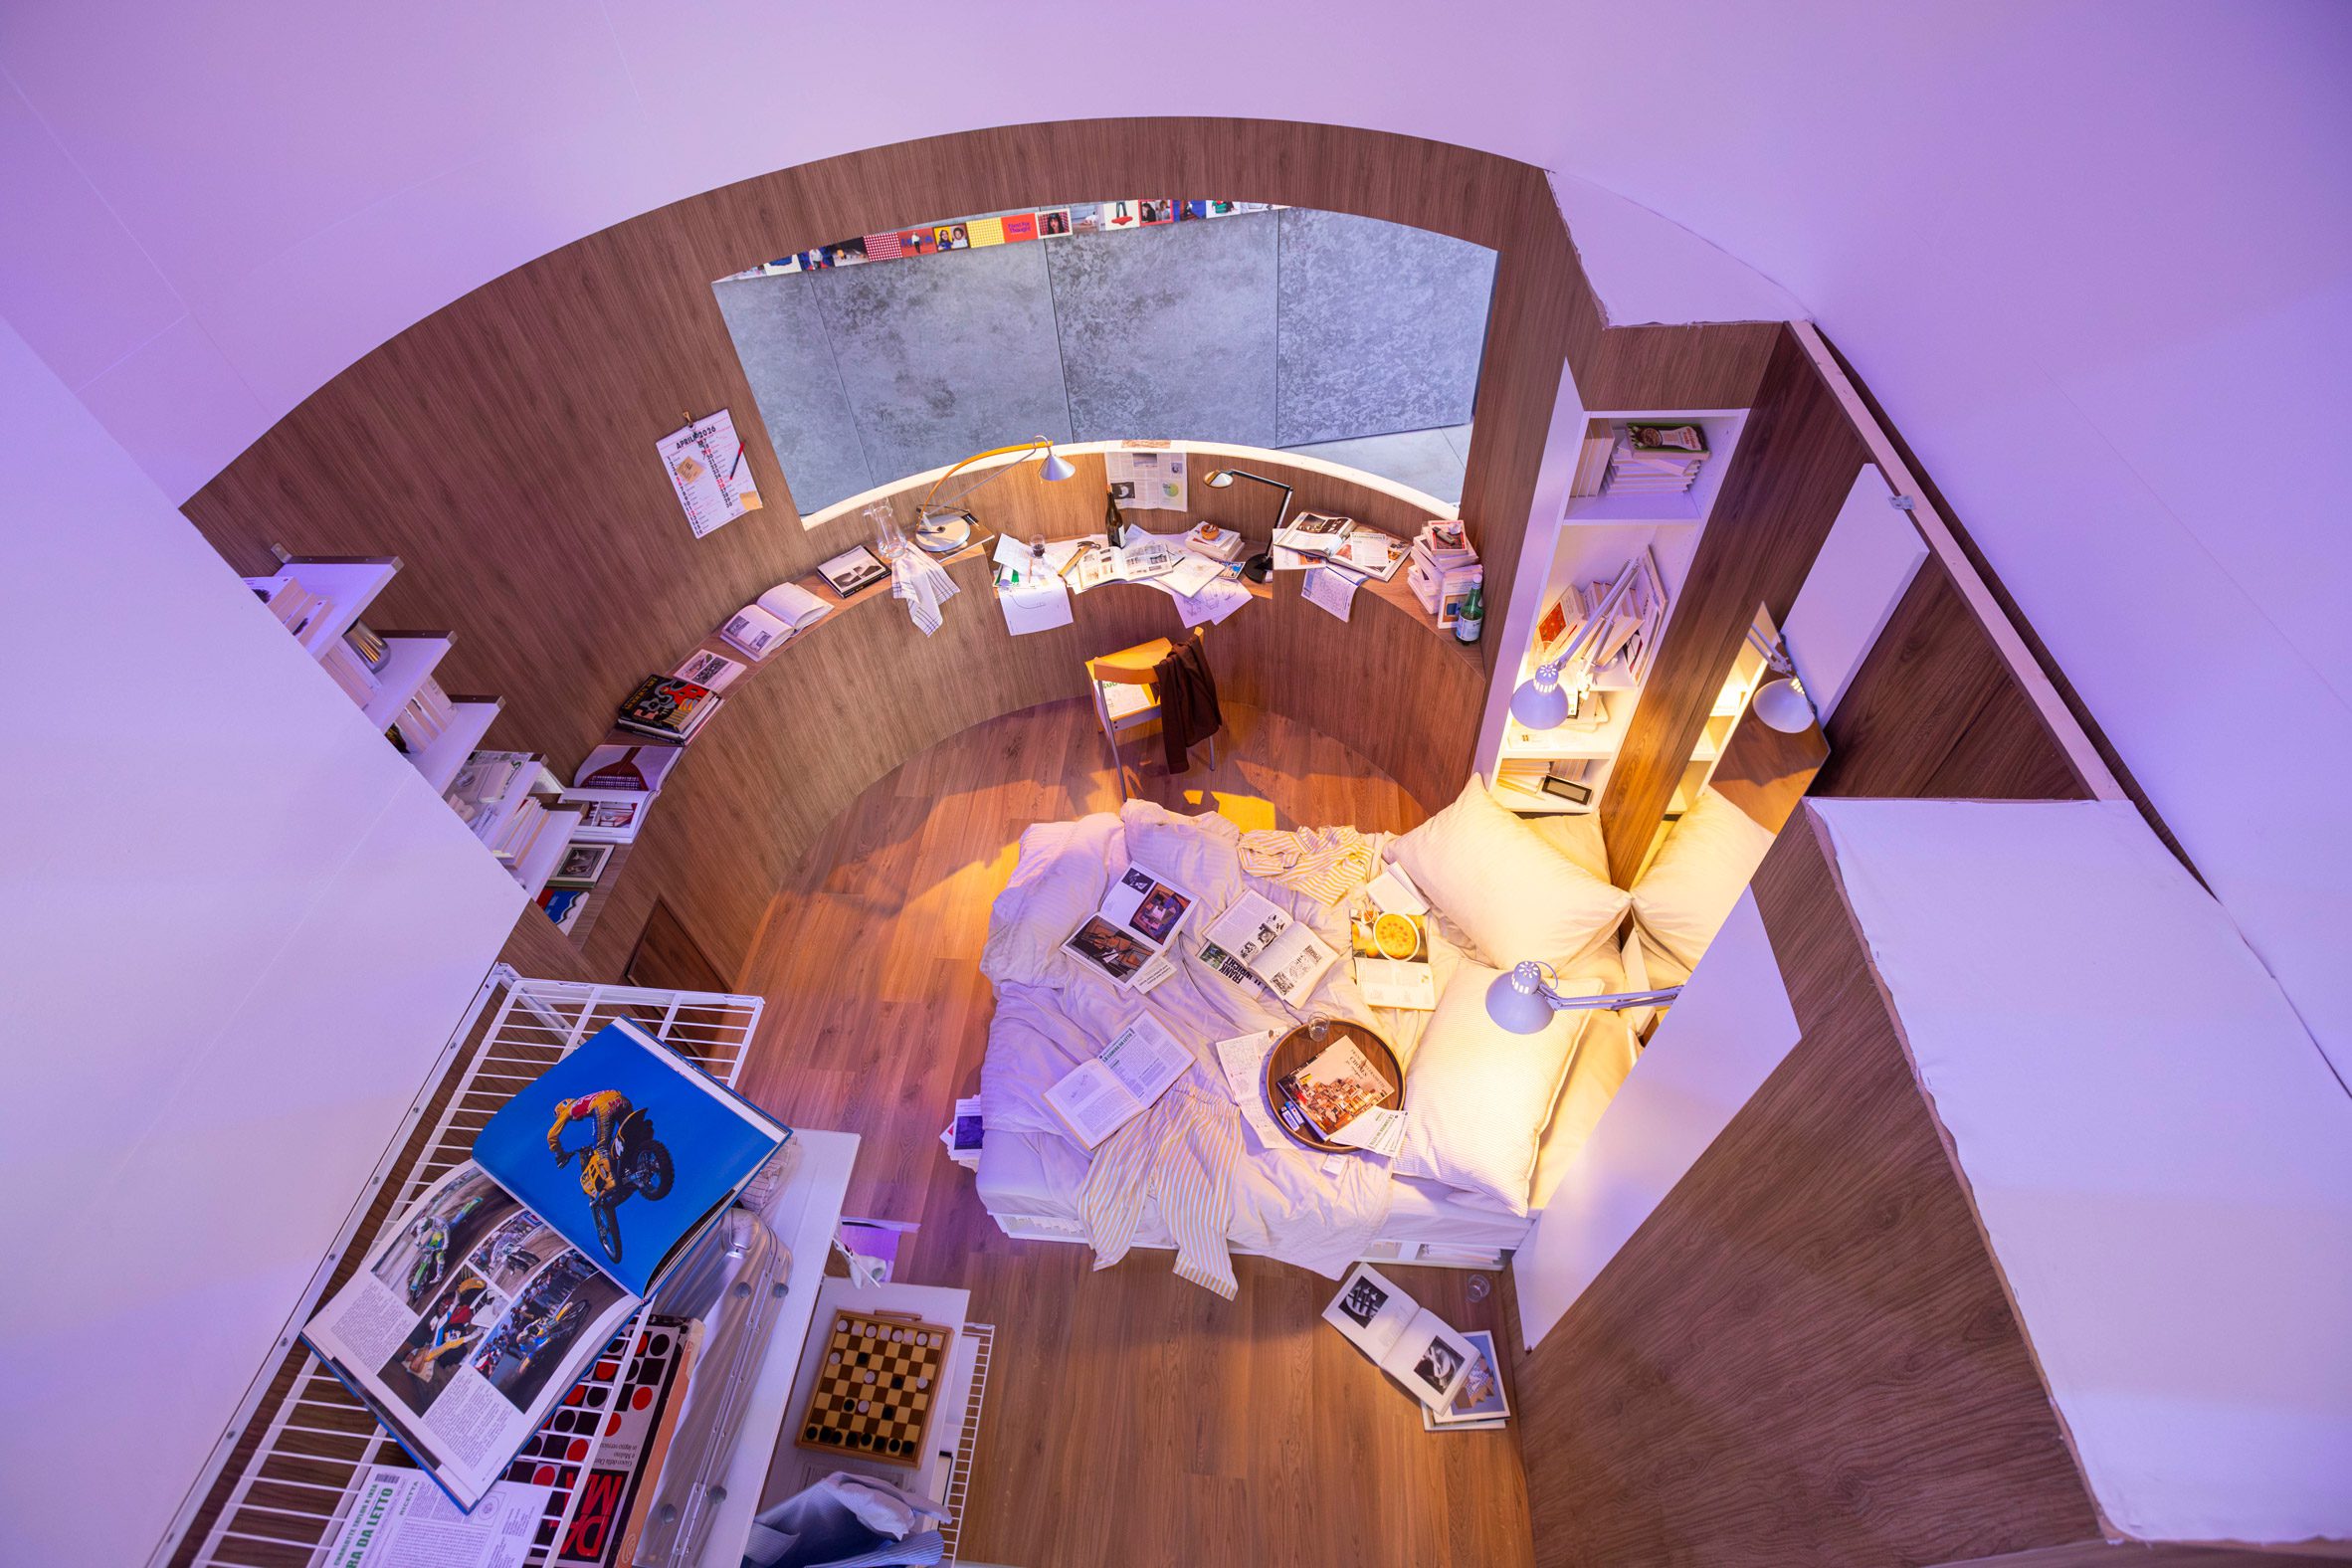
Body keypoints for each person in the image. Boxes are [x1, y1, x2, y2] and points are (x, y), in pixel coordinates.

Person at [547, 1089, 635, 1196]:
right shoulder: (583, 1100)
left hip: (603, 1106)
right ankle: (638, 1157)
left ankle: (610, 1179)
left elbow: (551, 1135)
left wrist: (559, 1154)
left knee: (600, 1147)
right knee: (628, 1134)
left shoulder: (567, 1111)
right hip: (621, 1099)